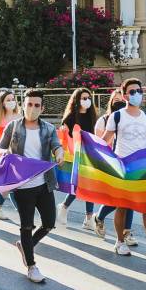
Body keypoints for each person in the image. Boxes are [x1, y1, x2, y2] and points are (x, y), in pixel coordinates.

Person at [0, 90, 64, 283]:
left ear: (42, 108)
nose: (32, 109)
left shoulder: (49, 129)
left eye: (36, 105)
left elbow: (57, 146)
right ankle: (31, 266)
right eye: (29, 104)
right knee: (26, 226)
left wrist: (59, 154)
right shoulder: (13, 126)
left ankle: (26, 246)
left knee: (49, 223)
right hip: (23, 186)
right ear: (23, 105)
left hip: (44, 184)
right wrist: (4, 154)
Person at [101, 78, 146, 259]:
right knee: (122, 207)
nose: (136, 94)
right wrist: (88, 143)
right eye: (132, 91)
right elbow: (105, 140)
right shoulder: (117, 116)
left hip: (143, 170)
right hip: (123, 167)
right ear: (124, 94)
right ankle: (119, 242)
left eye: (138, 91)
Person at [91, 90, 133, 240]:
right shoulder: (103, 120)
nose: (119, 103)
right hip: (111, 163)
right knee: (117, 199)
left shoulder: (132, 119)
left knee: (129, 198)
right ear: (111, 102)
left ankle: (126, 232)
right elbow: (100, 143)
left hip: (128, 162)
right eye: (116, 100)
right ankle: (99, 217)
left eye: (121, 100)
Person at [57, 87, 97, 229]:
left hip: (90, 154)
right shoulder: (71, 117)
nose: (87, 101)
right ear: (77, 100)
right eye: (84, 98)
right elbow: (65, 137)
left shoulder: (93, 116)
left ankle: (88, 218)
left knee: (89, 185)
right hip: (76, 155)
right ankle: (65, 206)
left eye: (88, 98)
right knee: (81, 184)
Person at [0, 90, 23, 221]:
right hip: (2, 154)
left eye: (13, 99)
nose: (11, 102)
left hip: (16, 154)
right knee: (11, 184)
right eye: (8, 99)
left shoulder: (19, 116)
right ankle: (21, 212)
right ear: (2, 103)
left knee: (10, 184)